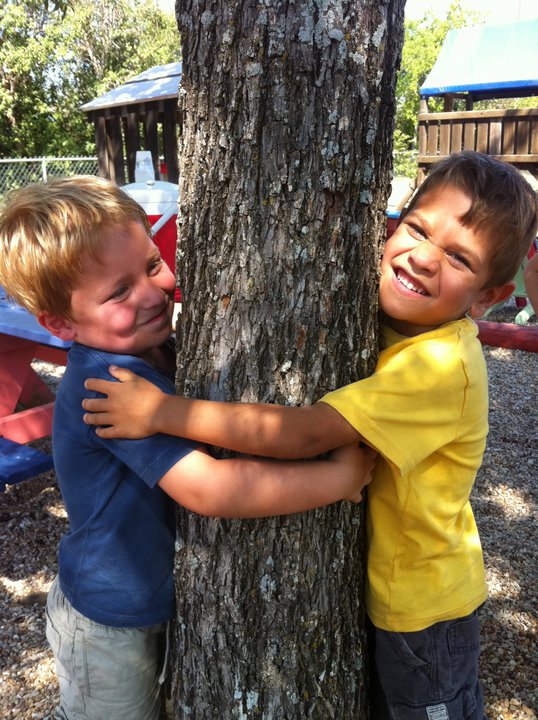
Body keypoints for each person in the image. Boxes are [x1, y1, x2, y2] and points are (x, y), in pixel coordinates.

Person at [82, 151, 538, 719]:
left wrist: (162, 413)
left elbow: (303, 433)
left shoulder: (442, 367)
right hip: (384, 593)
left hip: (423, 610)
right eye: (417, 228)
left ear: (490, 296)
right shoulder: (391, 322)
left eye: (458, 258)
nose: (423, 257)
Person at [0, 176, 376, 720]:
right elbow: (213, 488)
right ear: (60, 322)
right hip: (107, 620)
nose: (155, 292)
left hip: (150, 602)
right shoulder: (108, 390)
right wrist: (340, 480)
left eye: (152, 265)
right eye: (119, 292)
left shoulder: (159, 349)